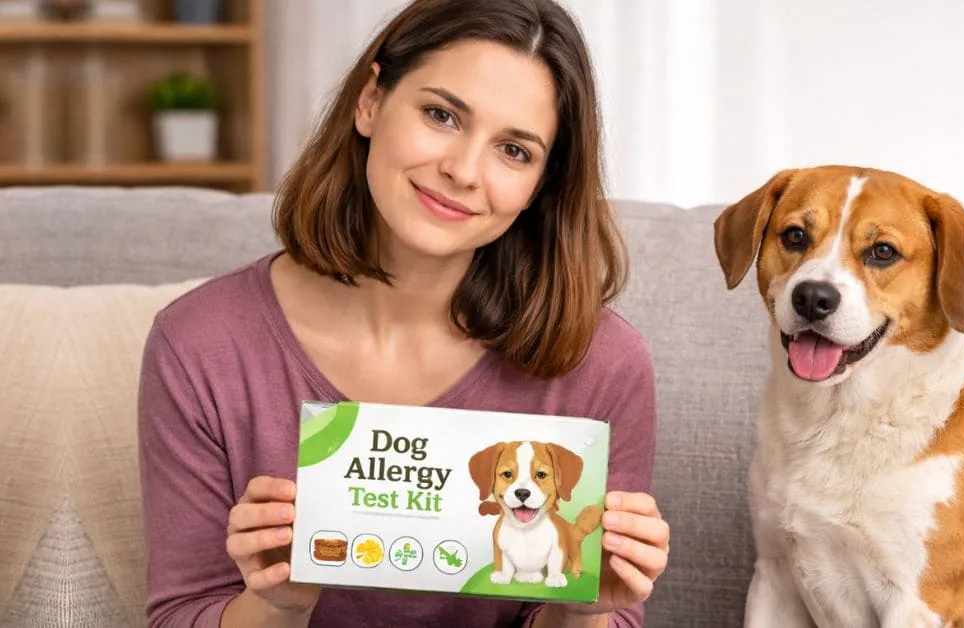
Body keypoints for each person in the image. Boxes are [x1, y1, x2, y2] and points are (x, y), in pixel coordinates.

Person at [135, 0, 669, 626]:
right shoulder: (199, 344)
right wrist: (275, 604)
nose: (462, 171)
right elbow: (179, 614)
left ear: (541, 186)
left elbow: (602, 609)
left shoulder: (600, 363)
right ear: (370, 101)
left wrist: (581, 611)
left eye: (514, 151)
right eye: (441, 115)